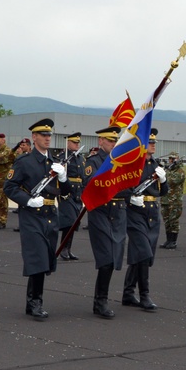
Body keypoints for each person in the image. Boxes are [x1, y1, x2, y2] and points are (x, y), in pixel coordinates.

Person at [3, 119, 68, 319]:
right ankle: (35, 302)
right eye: (43, 135)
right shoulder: (24, 161)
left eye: (49, 135)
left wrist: (64, 179)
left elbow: (64, 193)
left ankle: (32, 302)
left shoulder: (55, 163)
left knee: (46, 258)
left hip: (50, 215)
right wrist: (28, 201)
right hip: (31, 215)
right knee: (37, 258)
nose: (48, 138)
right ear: (34, 137)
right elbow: (10, 187)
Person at [82, 125, 127, 319]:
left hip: (118, 213)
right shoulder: (93, 161)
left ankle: (100, 300)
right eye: (110, 140)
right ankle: (100, 301)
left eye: (115, 140)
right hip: (100, 212)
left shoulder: (122, 161)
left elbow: (128, 186)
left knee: (115, 258)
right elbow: (89, 184)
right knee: (106, 259)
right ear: (101, 141)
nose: (113, 144)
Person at [121, 128, 168, 309]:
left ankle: (128, 293)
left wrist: (163, 181)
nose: (153, 145)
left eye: (154, 143)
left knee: (143, 255)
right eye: (150, 142)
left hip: (152, 213)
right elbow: (120, 186)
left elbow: (163, 192)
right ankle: (144, 295)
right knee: (143, 252)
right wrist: (130, 197)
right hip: (135, 212)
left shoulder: (156, 165)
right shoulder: (132, 164)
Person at [57, 132, 84, 260]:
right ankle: (63, 248)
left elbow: (82, 176)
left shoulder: (80, 158)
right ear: (68, 143)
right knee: (69, 221)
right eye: (74, 142)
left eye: (78, 143)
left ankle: (68, 248)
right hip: (67, 193)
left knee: (74, 222)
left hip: (77, 194)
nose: (77, 145)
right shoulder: (63, 157)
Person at [159, 151, 185, 249]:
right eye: (170, 158)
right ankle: (168, 240)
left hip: (175, 201)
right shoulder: (167, 170)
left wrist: (163, 174)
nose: (171, 160)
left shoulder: (180, 172)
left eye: (173, 159)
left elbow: (171, 181)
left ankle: (173, 241)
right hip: (165, 199)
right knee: (166, 220)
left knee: (173, 221)